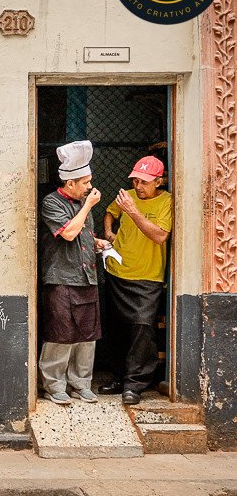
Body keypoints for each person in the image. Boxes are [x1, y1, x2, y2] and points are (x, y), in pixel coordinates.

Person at [38, 140, 111, 405]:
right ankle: (54, 385)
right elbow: (68, 233)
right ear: (70, 183)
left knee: (87, 336)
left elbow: (82, 235)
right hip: (60, 279)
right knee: (61, 334)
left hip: (86, 276)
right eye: (85, 183)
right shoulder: (52, 203)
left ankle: (81, 384)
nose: (90, 187)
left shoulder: (83, 204)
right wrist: (88, 207)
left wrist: (97, 242)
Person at [99, 156, 172, 405]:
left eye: (144, 182)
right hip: (117, 271)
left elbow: (160, 236)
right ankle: (120, 377)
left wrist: (132, 211)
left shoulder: (167, 202)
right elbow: (110, 212)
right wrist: (109, 231)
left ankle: (135, 384)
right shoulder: (127, 196)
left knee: (142, 327)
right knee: (117, 328)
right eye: (136, 180)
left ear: (159, 181)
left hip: (147, 276)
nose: (138, 186)